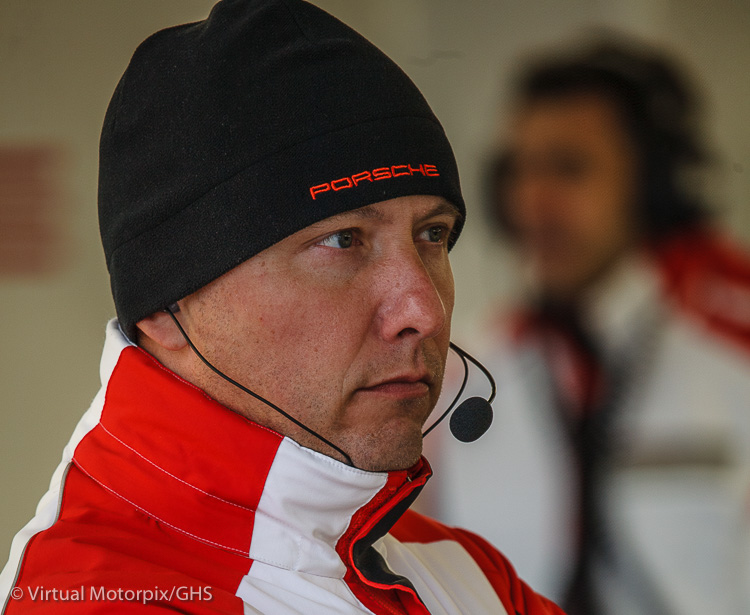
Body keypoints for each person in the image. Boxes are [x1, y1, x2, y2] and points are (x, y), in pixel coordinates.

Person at [0, 1, 565, 614]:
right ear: (166, 307)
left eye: (431, 234)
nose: (422, 311)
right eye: (343, 240)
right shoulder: (97, 598)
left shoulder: (467, 573)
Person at [428, 37, 750, 615]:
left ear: (651, 187)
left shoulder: (733, 352)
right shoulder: (459, 375)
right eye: (519, 170)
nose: (532, 202)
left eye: (569, 169)